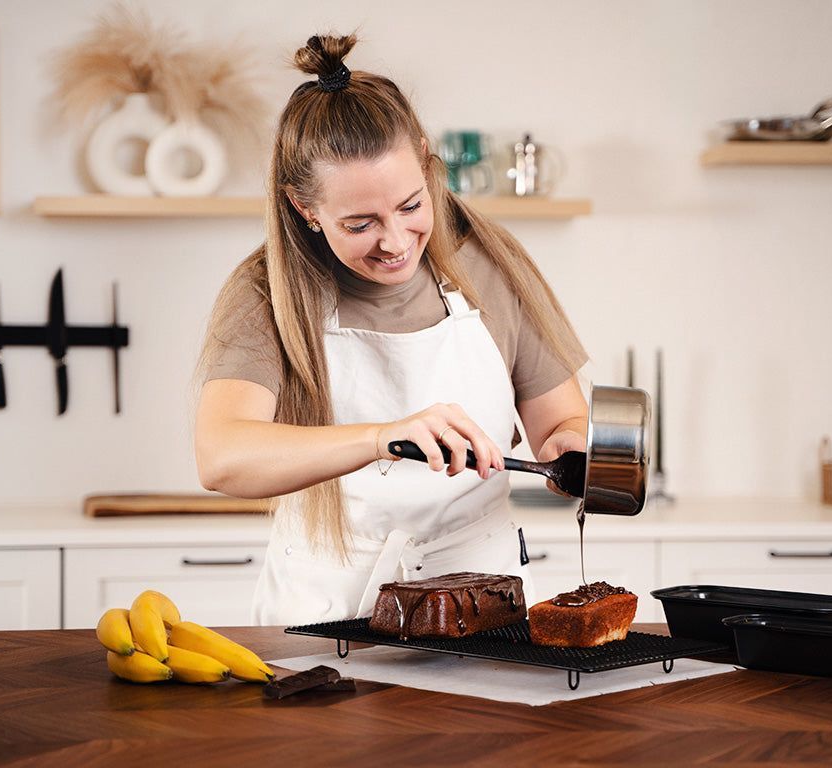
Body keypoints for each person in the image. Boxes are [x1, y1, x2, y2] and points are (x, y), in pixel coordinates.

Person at [194, 34, 589, 626]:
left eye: (410, 205)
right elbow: (222, 456)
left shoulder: (492, 261)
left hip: (483, 598)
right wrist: (383, 437)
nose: (396, 242)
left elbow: (561, 422)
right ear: (305, 208)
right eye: (360, 223)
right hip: (325, 606)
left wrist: (569, 449)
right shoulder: (265, 292)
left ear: (427, 161)